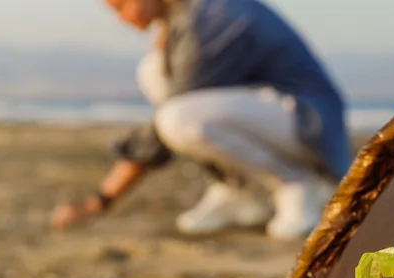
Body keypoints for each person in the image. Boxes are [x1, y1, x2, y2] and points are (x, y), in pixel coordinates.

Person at [52, 0, 351, 240]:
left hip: (309, 121)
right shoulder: (185, 16)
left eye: (121, 6)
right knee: (155, 73)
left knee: (179, 119)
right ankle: (239, 191)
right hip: (269, 112)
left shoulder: (214, 18)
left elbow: (161, 131)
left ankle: (298, 182)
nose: (121, 19)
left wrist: (101, 199)